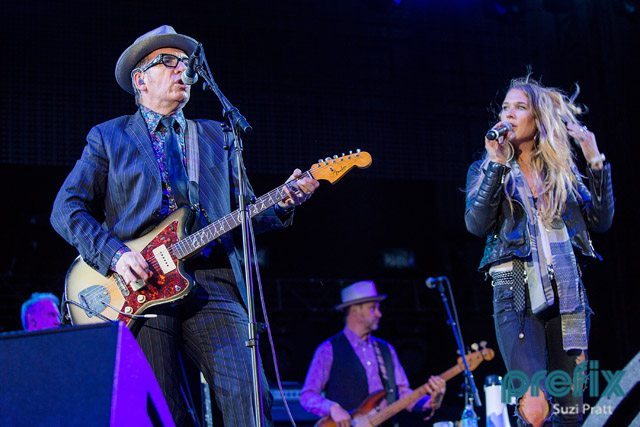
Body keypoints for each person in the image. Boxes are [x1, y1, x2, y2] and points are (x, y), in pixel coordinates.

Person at [50, 25, 319, 426]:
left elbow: (246, 212)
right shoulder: (109, 137)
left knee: (250, 395)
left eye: (187, 63)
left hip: (211, 282)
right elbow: (66, 209)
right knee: (164, 411)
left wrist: (284, 201)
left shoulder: (217, 136)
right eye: (169, 62)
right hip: (139, 287)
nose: (184, 70)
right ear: (141, 80)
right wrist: (117, 256)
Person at [464, 76, 614, 426]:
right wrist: (497, 165)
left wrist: (595, 163)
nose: (509, 114)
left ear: (538, 119)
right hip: (514, 292)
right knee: (533, 408)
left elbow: (600, 220)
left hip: (568, 295)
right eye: (505, 107)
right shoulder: (487, 170)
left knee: (570, 411)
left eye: (520, 107)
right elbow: (476, 223)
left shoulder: (561, 173)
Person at [300, 280, 446, 426]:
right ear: (355, 310)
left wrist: (431, 401)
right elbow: (307, 396)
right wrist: (332, 408)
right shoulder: (328, 349)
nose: (379, 314)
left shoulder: (386, 349)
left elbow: (403, 394)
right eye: (373, 308)